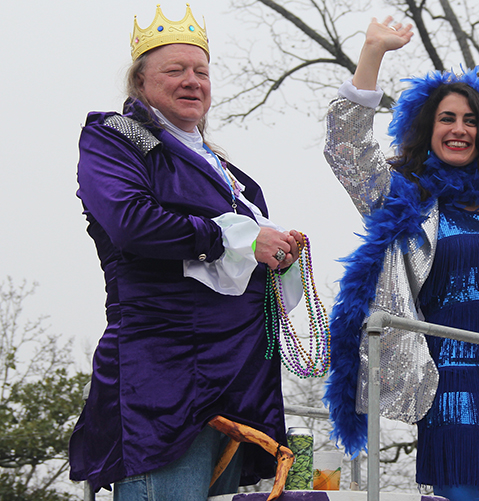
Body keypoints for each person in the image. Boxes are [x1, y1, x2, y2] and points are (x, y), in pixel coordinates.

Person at [323, 17, 479, 501]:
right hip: (452, 380)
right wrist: (373, 52)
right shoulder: (404, 196)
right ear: (427, 129)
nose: (459, 129)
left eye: (471, 120)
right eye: (447, 119)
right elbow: (345, 149)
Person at [69, 5, 304, 500]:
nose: (192, 81)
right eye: (174, 70)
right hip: (163, 372)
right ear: (140, 80)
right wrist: (235, 240)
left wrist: (279, 255)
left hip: (238, 378)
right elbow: (131, 223)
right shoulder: (117, 136)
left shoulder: (231, 174)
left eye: (201, 71)